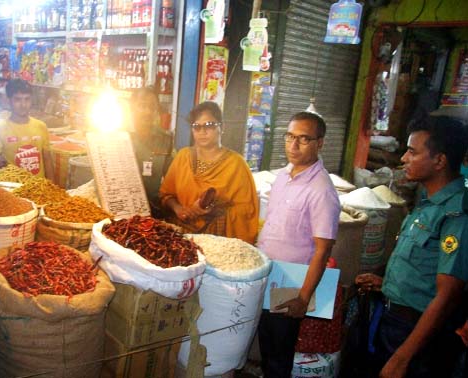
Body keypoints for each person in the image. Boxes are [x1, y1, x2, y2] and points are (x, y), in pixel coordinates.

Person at [355, 115, 468, 378]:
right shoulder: (429, 202)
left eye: (412, 152)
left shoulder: (456, 215)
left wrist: (402, 358)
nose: (404, 158)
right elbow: (423, 268)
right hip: (394, 321)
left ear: (439, 160)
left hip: (417, 333)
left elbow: (447, 295)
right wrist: (388, 284)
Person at [256, 111, 341, 378]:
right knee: (267, 347)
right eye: (290, 137)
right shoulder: (283, 175)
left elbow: (323, 249)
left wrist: (303, 298)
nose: (293, 145)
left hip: (291, 284)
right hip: (268, 275)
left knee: (280, 355)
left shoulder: (321, 190)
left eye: (303, 139)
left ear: (320, 143)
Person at [159, 101, 258, 244]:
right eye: (196, 127)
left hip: (218, 241)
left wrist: (216, 210)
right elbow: (166, 194)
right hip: (181, 238)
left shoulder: (236, 164)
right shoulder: (183, 156)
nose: (202, 132)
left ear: (222, 127)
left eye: (209, 126)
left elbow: (246, 212)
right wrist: (179, 209)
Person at [0, 79, 52, 178]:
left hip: (39, 188)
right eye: (17, 99)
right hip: (13, 188)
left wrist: (52, 187)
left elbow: (47, 159)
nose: (23, 105)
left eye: (27, 99)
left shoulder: (41, 126)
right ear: (9, 101)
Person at [129, 87, 174, 217]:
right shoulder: (118, 136)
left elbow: (171, 176)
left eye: (152, 107)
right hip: (120, 207)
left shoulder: (165, 140)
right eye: (142, 106)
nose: (147, 112)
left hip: (152, 212)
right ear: (132, 108)